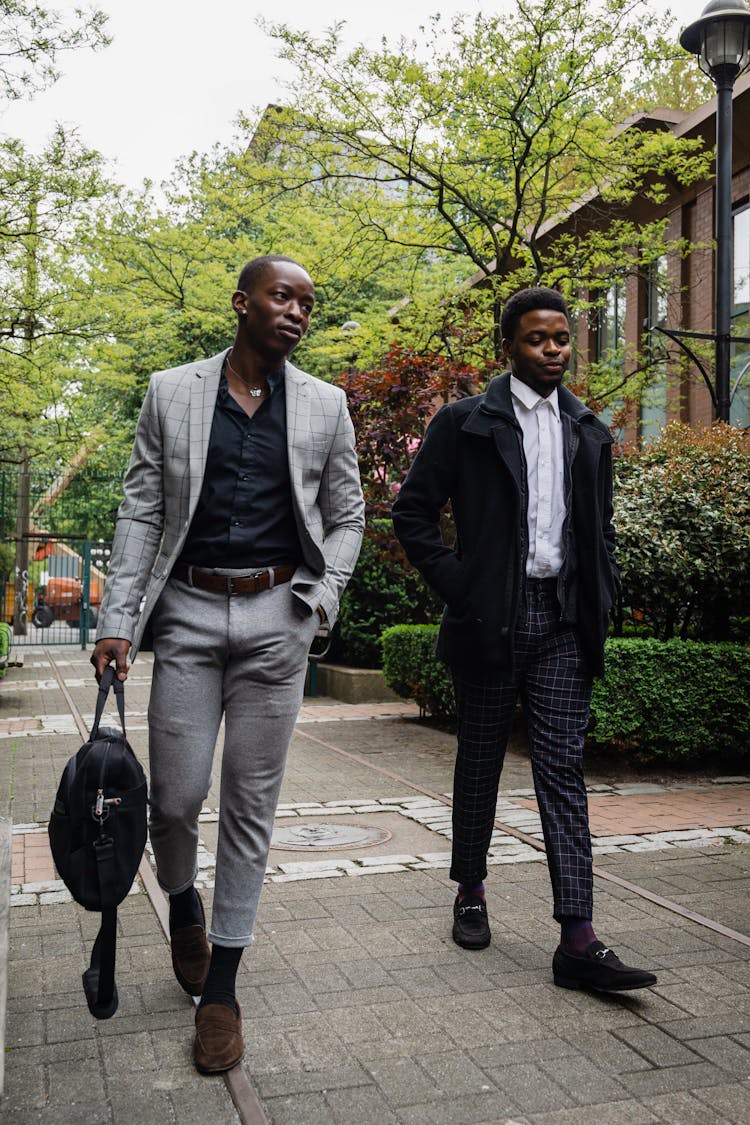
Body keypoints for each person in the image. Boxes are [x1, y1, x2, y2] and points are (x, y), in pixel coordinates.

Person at [91, 255, 364, 1072]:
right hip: (187, 614)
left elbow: (348, 514)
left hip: (279, 615)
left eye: (307, 304)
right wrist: (118, 621)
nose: (295, 312)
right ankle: (182, 903)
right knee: (172, 799)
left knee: (251, 803)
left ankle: (224, 989)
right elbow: (141, 507)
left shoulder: (325, 405)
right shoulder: (172, 391)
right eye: (282, 296)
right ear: (242, 302)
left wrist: (322, 598)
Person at [392, 287, 656, 993]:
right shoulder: (466, 423)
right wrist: (464, 588)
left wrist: (600, 592)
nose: (553, 350)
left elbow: (595, 530)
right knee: (479, 761)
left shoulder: (588, 431)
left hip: (563, 619)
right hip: (491, 618)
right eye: (538, 338)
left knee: (562, 771)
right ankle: (471, 889)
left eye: (562, 339)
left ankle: (578, 934)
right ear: (507, 344)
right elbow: (412, 514)